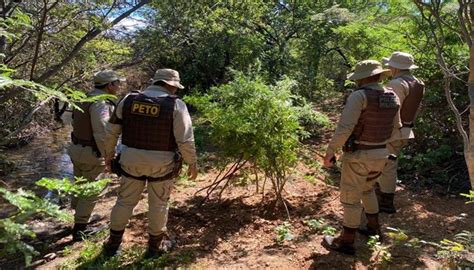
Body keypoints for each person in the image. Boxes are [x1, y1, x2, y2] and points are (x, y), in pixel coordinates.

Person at [102, 68, 198, 257]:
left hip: (130, 161)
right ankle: (154, 248)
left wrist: (108, 156)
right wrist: (192, 162)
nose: (176, 91)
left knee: (124, 202)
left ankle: (113, 245)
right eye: (175, 87)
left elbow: (111, 131)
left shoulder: (128, 100)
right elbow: (185, 140)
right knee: (159, 204)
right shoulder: (176, 105)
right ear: (171, 85)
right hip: (161, 165)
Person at [322, 60, 401, 255]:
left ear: (363, 77)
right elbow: (396, 127)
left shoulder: (359, 96)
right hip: (382, 154)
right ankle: (374, 229)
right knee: (367, 189)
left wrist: (330, 152)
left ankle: (346, 241)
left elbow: (345, 128)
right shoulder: (392, 96)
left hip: (359, 155)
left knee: (350, 197)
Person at [68, 70, 124, 241]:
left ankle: (77, 217)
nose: (119, 86)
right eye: (117, 83)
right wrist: (109, 156)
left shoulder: (85, 97)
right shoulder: (101, 103)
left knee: (80, 184)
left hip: (77, 150)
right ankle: (80, 229)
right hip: (92, 154)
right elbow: (102, 132)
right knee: (93, 191)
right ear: (110, 85)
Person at [377, 52, 425, 213]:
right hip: (405, 129)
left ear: (396, 67)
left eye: (390, 65)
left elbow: (390, 110)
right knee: (389, 164)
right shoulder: (417, 83)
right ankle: (383, 197)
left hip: (392, 131)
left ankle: (385, 202)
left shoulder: (396, 84)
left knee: (387, 166)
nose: (389, 68)